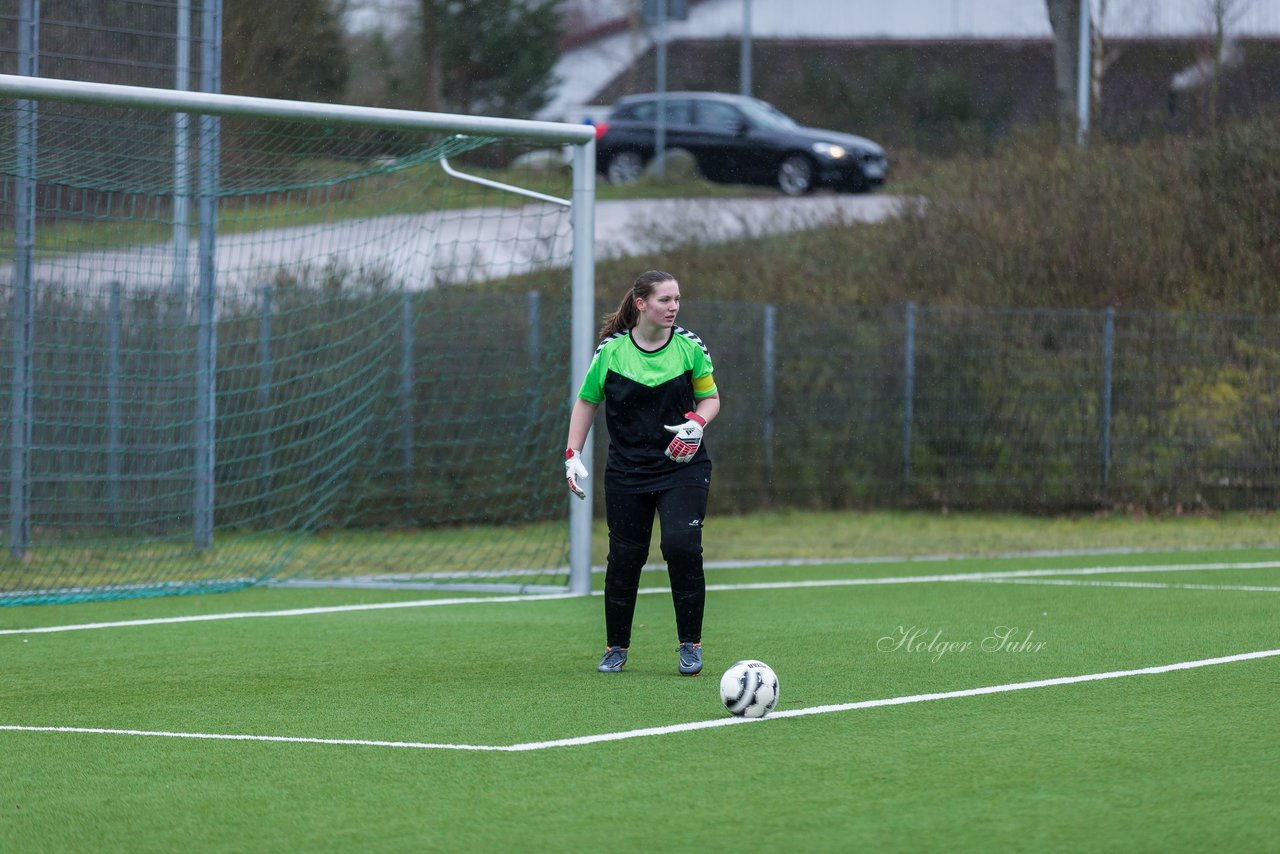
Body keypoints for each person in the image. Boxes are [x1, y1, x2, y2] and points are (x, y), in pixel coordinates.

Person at [564, 270, 720, 676]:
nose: (673, 307)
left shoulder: (689, 347)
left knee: (682, 546)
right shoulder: (611, 352)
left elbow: (710, 398)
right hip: (627, 471)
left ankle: (690, 644)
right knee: (625, 557)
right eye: (665, 300)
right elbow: (586, 401)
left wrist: (697, 425)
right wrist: (572, 453)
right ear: (641, 304)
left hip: (682, 466)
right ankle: (616, 647)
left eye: (677, 299)